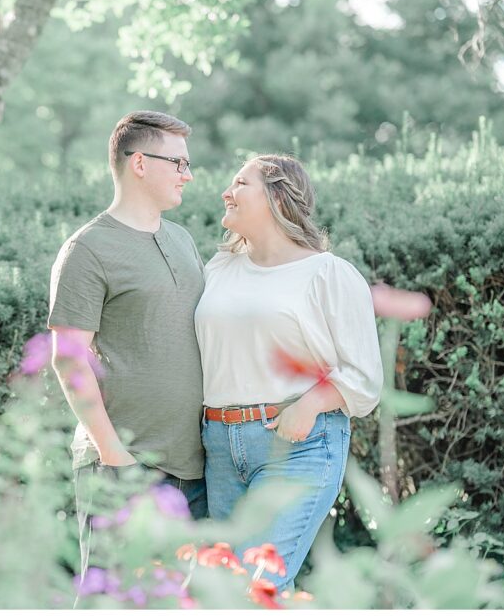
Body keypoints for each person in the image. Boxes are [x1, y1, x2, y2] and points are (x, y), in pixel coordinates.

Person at [194, 154, 383, 592]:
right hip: (219, 447)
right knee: (231, 593)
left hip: (297, 445)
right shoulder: (219, 268)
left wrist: (311, 404)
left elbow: (364, 376)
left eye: (240, 183)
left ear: (277, 198)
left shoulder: (329, 274)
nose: (226, 193)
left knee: (257, 589)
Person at [48, 111, 209, 579]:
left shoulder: (181, 239)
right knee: (109, 599)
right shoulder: (87, 249)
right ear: (139, 163)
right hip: (122, 466)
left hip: (193, 468)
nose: (187, 174)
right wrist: (114, 454)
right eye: (178, 163)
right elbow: (69, 360)